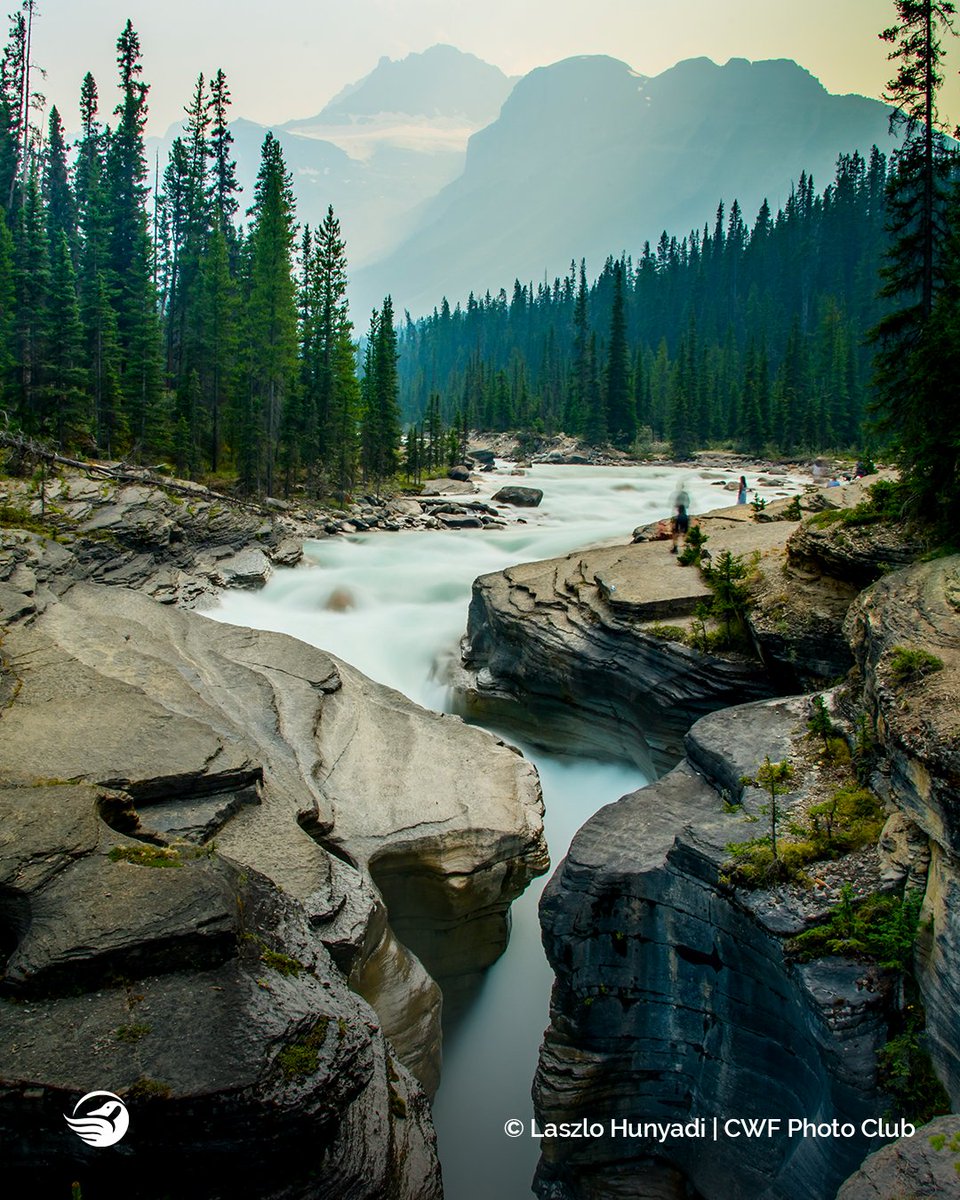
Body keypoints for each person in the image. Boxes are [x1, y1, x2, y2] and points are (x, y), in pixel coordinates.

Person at [671, 481, 691, 554]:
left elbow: (675, 505)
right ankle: (688, 547)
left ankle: (675, 548)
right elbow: (688, 505)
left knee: (675, 532)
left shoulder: (677, 495)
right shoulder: (686, 495)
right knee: (685, 532)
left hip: (678, 516)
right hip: (685, 516)